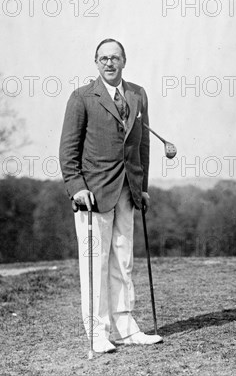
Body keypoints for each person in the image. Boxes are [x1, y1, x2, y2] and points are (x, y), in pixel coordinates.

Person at [59, 38, 162, 353]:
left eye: (115, 58)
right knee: (95, 262)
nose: (109, 63)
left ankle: (126, 328)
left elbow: (141, 143)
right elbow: (68, 149)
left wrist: (142, 187)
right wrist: (77, 187)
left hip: (128, 191)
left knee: (123, 258)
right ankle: (97, 332)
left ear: (124, 61)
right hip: (94, 194)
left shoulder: (137, 94)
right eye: (103, 58)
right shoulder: (81, 98)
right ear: (96, 62)